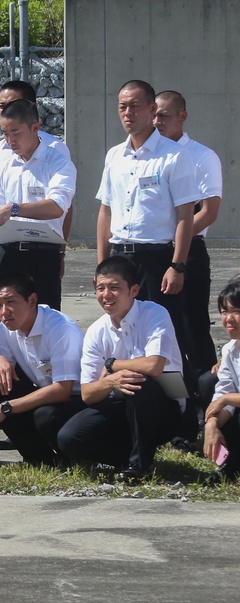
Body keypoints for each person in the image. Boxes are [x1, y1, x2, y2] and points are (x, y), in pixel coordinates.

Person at [96, 80, 199, 365]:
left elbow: (185, 215)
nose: (127, 113)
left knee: (166, 334)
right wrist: (102, 265)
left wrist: (177, 265)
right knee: (122, 330)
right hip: (120, 256)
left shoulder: (175, 155)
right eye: (122, 107)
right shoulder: (114, 155)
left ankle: (181, 403)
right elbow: (105, 211)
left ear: (152, 109)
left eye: (134, 106)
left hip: (157, 260)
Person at [56, 256, 184, 483]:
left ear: (134, 290)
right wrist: (109, 382)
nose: (106, 295)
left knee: (137, 381)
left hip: (164, 408)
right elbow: (88, 394)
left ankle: (139, 466)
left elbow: (154, 366)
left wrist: (112, 365)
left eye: (114, 288)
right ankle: (127, 458)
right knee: (69, 438)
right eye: (100, 288)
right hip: (120, 403)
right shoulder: (97, 330)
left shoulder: (155, 314)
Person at [0, 99, 77, 331]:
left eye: (16, 133)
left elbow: (57, 206)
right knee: (4, 324)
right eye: (5, 133)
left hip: (42, 255)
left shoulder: (58, 161)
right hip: (7, 253)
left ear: (35, 128)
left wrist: (14, 209)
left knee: (46, 323)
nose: (10, 140)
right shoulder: (4, 164)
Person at [0, 272, 85, 465]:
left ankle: (73, 458)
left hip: (79, 398)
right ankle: (39, 458)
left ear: (32, 300)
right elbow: (0, 356)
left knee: (45, 416)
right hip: (47, 391)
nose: (4, 311)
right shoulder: (7, 327)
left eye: (11, 302)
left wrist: (8, 407)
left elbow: (63, 389)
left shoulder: (60, 329)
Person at [154, 90, 223, 375]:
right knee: (157, 327)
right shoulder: (147, 154)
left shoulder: (201, 156)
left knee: (191, 326)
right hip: (153, 252)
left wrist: (176, 241)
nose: (157, 121)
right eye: (154, 115)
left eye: (164, 116)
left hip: (188, 253)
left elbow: (208, 211)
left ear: (182, 116)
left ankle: (205, 395)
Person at [203, 279, 240, 483]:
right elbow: (222, 390)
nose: (228, 319)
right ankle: (231, 467)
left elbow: (225, 397)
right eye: (224, 311)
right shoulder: (229, 350)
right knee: (221, 414)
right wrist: (212, 424)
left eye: (236, 311)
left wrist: (226, 399)